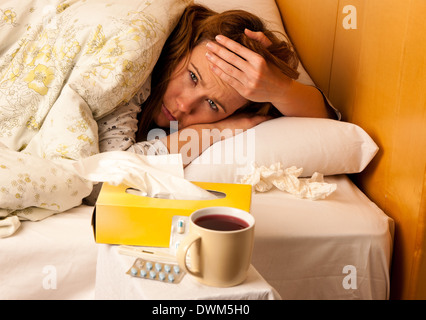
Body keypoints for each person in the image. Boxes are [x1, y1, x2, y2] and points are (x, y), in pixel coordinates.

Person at [86, 4, 337, 203]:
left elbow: (326, 121)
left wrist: (280, 90)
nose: (185, 106)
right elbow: (101, 182)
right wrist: (211, 132)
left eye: (213, 104)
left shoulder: (245, 101)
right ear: (183, 48)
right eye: (192, 77)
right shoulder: (135, 63)